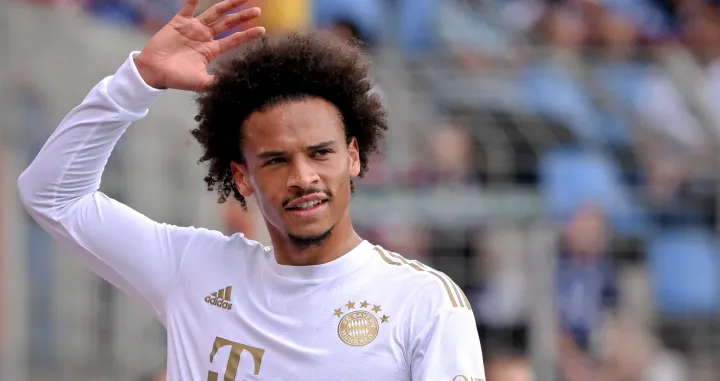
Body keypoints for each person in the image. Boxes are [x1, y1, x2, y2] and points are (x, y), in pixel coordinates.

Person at [17, 0, 485, 379]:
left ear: (354, 157)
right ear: (242, 176)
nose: (304, 177)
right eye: (277, 160)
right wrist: (137, 81)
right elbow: (53, 195)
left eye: (321, 153)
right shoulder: (191, 271)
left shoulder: (424, 303)